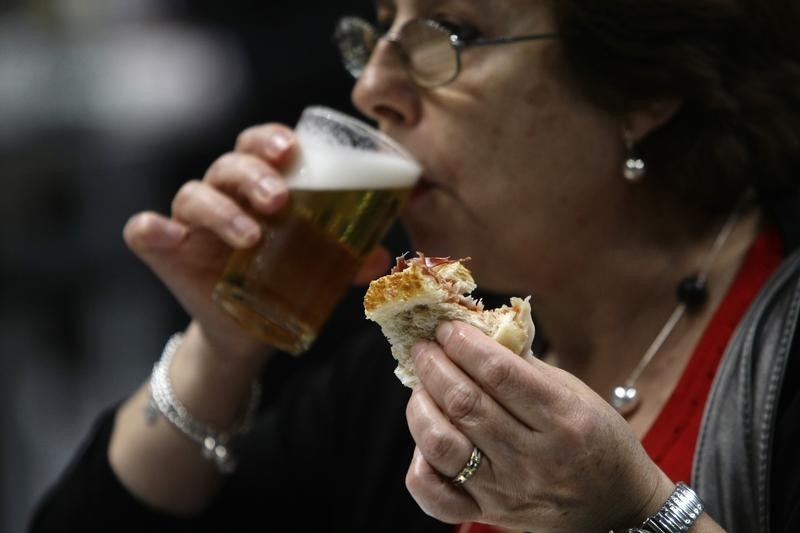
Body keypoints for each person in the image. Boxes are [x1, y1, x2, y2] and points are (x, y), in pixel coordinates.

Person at [30, 0, 800, 531]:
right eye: (379, 32)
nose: (371, 89)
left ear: (643, 84)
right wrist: (218, 353)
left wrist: (637, 514)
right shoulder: (410, 372)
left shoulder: (784, 346)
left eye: (448, 33)